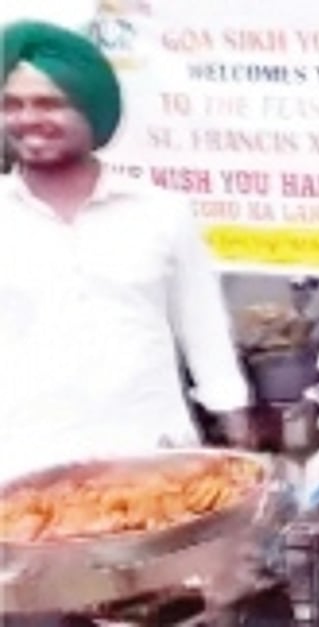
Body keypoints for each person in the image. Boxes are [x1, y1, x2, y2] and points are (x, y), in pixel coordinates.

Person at [0, 20, 252, 483]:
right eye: (11, 104)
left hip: (152, 459)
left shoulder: (160, 212)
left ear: (93, 111)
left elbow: (203, 327)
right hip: (23, 471)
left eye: (49, 103)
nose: (27, 118)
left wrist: (234, 423)